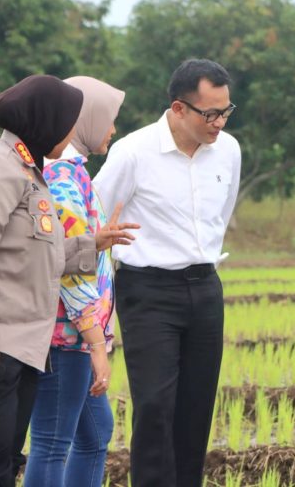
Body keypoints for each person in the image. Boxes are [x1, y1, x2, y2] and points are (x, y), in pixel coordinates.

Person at [0, 75, 137, 487]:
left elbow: (37, 255)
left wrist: (92, 244)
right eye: (68, 122)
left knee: (4, 458)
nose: (73, 132)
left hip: (15, 339)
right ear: (47, 121)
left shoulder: (29, 169)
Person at [94, 59, 241, 486]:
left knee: (196, 409)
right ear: (179, 109)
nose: (219, 122)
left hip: (206, 288)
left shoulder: (228, 150)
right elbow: (97, 218)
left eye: (226, 111)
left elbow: (222, 214)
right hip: (148, 290)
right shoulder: (133, 152)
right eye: (210, 113)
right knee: (156, 406)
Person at [23, 77, 129, 487]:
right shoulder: (63, 178)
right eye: (109, 119)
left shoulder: (73, 173)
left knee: (95, 433)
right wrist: (96, 342)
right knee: (52, 442)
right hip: (65, 335)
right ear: (83, 118)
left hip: (76, 334)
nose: (113, 129)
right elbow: (68, 267)